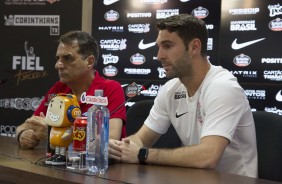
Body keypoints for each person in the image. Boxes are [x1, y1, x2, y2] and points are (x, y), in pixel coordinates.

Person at [109, 14, 258, 178]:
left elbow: (208, 156)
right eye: (159, 47)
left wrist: (142, 154)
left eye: (168, 46)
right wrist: (119, 149)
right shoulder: (171, 89)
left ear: (194, 47)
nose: (159, 56)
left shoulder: (223, 87)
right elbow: (142, 139)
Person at [16, 30, 126, 149]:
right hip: (62, 163)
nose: (58, 65)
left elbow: (110, 139)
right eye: (58, 58)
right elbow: (26, 125)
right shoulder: (59, 88)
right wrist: (22, 135)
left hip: (100, 166)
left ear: (89, 62)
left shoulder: (110, 88)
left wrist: (53, 134)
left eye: (67, 58)